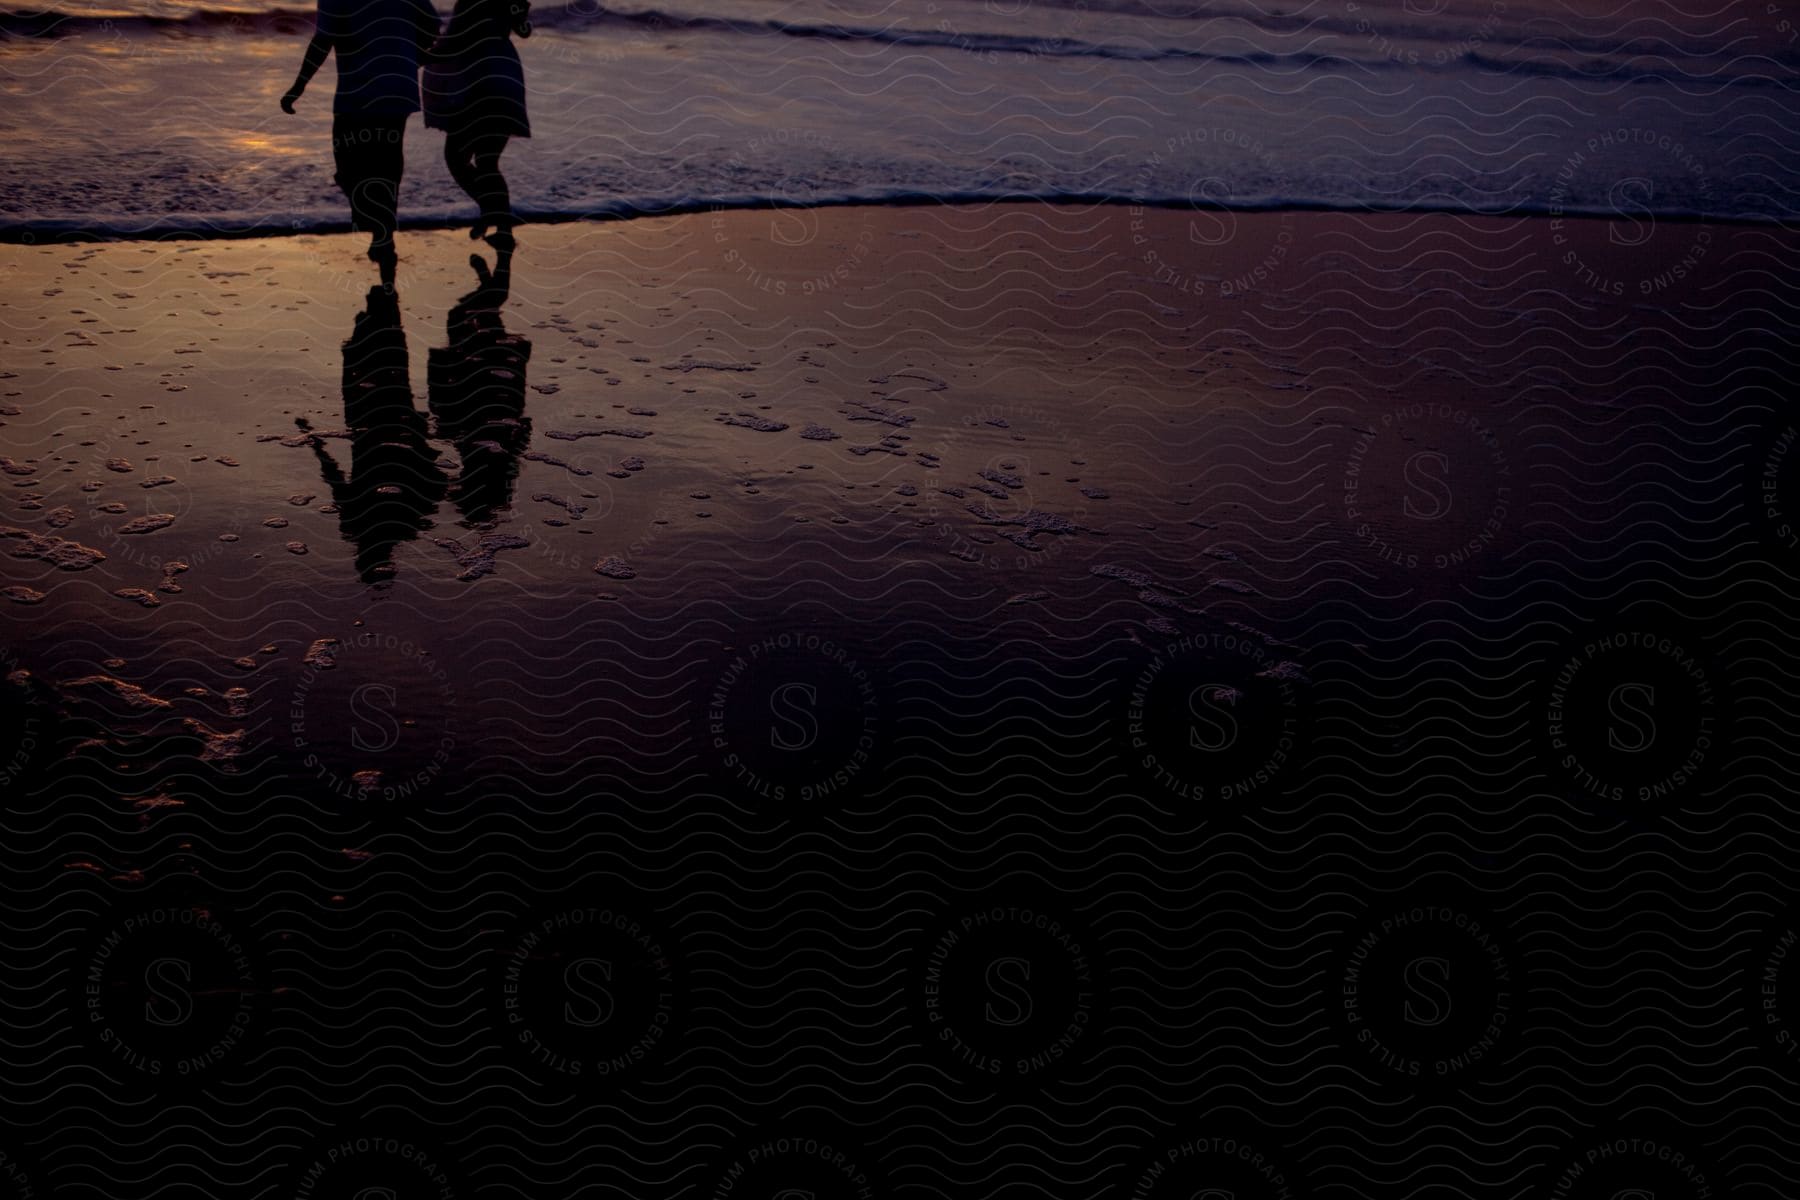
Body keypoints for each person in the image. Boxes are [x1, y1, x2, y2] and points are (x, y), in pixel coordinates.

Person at [281, 0, 442, 279]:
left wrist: (298, 85)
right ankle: (384, 234)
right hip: (398, 82)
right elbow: (432, 23)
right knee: (388, 161)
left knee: (347, 166)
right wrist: (413, 53)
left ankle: (376, 225)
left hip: (359, 89)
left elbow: (323, 40)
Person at [423, 0, 532, 246]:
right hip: (505, 74)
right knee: (488, 161)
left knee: (456, 157)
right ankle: (502, 227)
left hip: (478, 79)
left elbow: (457, 40)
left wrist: (421, 56)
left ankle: (491, 210)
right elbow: (524, 30)